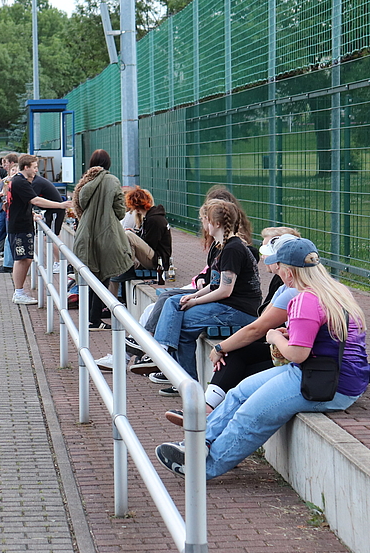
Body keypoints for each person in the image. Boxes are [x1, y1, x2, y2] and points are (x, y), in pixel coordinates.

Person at [156, 238, 369, 480]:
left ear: (289, 271)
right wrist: (291, 334)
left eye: (280, 267)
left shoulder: (304, 299)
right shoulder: (336, 291)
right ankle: (198, 443)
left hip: (327, 383)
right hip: (329, 374)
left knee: (251, 415)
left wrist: (275, 337)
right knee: (239, 392)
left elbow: (297, 354)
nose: (278, 271)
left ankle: (202, 468)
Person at [164, 229, 302, 425]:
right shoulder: (283, 286)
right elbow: (263, 322)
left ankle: (207, 417)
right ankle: (206, 411)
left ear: (282, 263)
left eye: (268, 253)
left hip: (303, 365)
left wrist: (221, 347)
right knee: (234, 358)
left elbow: (258, 329)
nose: (263, 258)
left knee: (239, 378)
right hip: (290, 354)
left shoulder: (293, 289)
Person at [151, 199, 262, 386]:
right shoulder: (220, 247)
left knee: (181, 324)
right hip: (227, 305)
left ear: (216, 223)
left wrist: (195, 302)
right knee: (174, 303)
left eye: (206, 220)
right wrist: (194, 295)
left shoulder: (232, 249)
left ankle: (168, 361)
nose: (204, 224)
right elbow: (214, 284)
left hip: (238, 310)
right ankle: (179, 374)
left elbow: (225, 290)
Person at [72, 149, 131, 328]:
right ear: (108, 163)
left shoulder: (85, 181)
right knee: (104, 276)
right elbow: (120, 211)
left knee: (88, 277)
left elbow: (80, 204)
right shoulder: (112, 181)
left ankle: (88, 318)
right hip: (107, 233)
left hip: (85, 232)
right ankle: (95, 319)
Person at [5, 155, 72, 305]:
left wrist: (31, 214)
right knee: (22, 259)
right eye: (34, 167)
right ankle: (19, 292)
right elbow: (34, 200)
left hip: (21, 224)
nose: (36, 170)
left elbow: (20, 202)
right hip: (20, 226)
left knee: (26, 258)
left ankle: (19, 291)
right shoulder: (20, 182)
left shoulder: (17, 181)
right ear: (26, 167)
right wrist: (60, 205)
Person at [109, 187, 172, 300]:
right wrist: (137, 234)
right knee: (113, 270)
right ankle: (110, 303)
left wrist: (135, 237)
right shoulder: (152, 217)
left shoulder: (154, 220)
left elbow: (150, 243)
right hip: (155, 257)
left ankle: (127, 268)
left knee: (128, 234)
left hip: (158, 261)